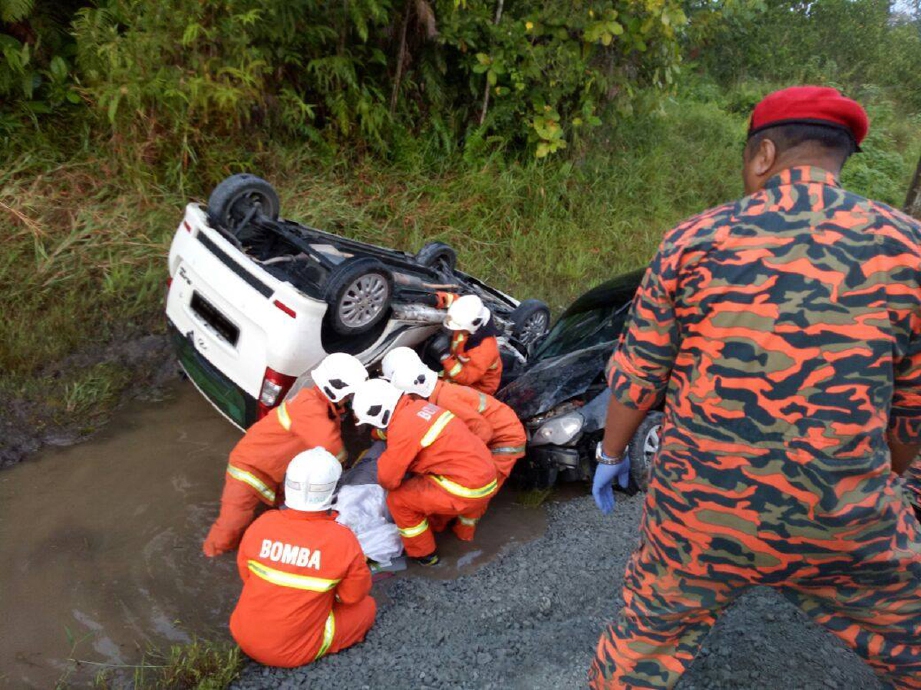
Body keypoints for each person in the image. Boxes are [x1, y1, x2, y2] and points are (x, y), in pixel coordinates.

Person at [589, 86, 921, 689]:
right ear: (839, 159)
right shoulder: (910, 249)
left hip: (698, 515)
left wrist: (611, 455)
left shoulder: (691, 240)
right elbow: (909, 415)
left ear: (764, 154)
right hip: (846, 519)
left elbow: (638, 378)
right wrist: (875, 487)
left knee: (642, 644)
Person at [203, 353, 368, 557]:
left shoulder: (322, 406)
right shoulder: (311, 407)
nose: (351, 398)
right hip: (250, 469)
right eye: (350, 393)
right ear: (337, 389)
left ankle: (245, 542)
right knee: (233, 522)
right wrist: (346, 468)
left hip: (271, 471)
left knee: (269, 515)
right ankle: (213, 551)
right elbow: (331, 447)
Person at [229, 447, 376, 667]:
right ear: (334, 491)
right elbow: (353, 597)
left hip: (241, 633)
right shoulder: (341, 539)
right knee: (367, 607)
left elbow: (246, 575)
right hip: (291, 652)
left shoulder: (263, 523)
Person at [382, 346, 526, 539]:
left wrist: (464, 458)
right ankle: (452, 525)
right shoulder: (437, 390)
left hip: (504, 440)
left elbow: (482, 431)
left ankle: (464, 533)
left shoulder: (445, 399)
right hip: (497, 431)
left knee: (482, 486)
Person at [351, 378, 498, 565]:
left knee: (398, 501)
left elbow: (388, 479)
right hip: (486, 474)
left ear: (378, 414)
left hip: (466, 488)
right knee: (422, 485)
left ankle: (425, 555)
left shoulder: (403, 429)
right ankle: (461, 532)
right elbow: (411, 432)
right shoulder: (419, 407)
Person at [430, 294, 503, 395]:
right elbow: (453, 300)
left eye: (460, 329)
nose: (458, 331)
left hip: (476, 387)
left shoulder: (483, 351)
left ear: (473, 325)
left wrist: (445, 357)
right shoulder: (469, 312)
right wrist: (436, 299)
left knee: (439, 395)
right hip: (455, 370)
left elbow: (467, 378)